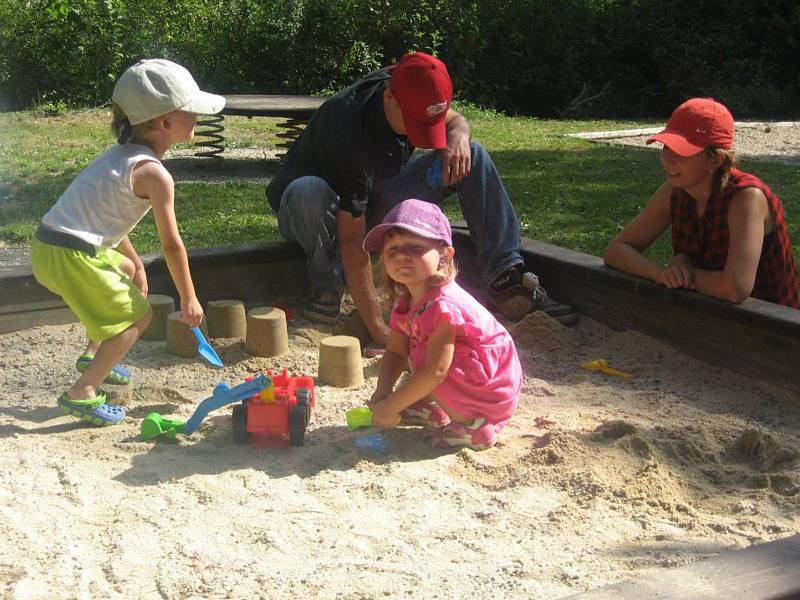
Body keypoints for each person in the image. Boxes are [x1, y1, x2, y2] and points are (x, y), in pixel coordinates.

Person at [266, 51, 576, 344]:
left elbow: (456, 120)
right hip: (314, 213)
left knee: (474, 156)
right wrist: (378, 328)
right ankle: (327, 289)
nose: (421, 135)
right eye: (416, 124)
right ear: (389, 97)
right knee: (309, 192)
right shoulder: (349, 131)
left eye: (429, 125)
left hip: (372, 196)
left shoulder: (412, 84)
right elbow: (351, 241)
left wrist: (458, 135)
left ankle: (504, 279)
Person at [31, 59, 225, 425]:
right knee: (137, 317)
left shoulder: (118, 157)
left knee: (124, 271)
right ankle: (83, 390)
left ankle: (94, 355)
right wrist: (189, 298)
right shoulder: (154, 174)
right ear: (164, 121)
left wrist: (135, 262)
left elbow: (108, 217)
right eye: (192, 110)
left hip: (49, 247)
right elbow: (172, 245)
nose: (198, 116)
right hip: (72, 255)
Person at [603, 97, 799, 308]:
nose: (668, 159)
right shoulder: (674, 190)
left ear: (715, 160)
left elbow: (735, 288)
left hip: (774, 328)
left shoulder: (746, 198)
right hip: (710, 317)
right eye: (666, 148)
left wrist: (686, 272)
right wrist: (661, 273)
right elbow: (616, 250)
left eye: (681, 152)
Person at [363, 199, 522, 450]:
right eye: (392, 250)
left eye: (415, 247)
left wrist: (392, 406)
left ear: (445, 255)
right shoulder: (406, 299)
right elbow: (395, 352)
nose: (402, 255)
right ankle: (435, 406)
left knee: (428, 358)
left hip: (491, 392)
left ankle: (474, 427)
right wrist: (384, 392)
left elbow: (435, 371)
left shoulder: (442, 305)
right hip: (475, 379)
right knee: (421, 352)